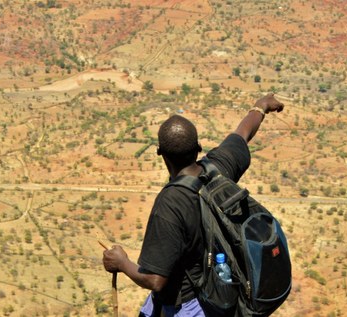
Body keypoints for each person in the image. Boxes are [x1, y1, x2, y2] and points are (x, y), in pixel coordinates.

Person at [102, 93, 285, 316]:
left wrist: (121, 263)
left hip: (189, 305)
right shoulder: (218, 168)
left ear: (161, 153)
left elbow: (155, 280)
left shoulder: (170, 204)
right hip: (219, 293)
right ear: (198, 147)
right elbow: (242, 134)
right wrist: (261, 106)